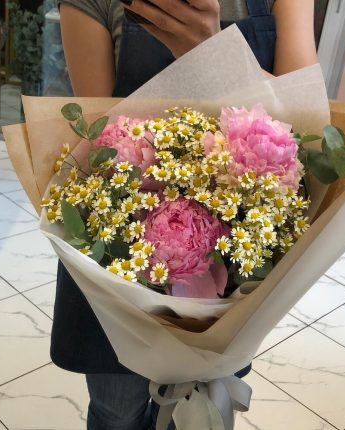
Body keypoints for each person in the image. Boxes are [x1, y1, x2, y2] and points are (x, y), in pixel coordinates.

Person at [57, 1, 317, 429]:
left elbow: (308, 120)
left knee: (199, 412)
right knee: (115, 410)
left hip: (233, 255)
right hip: (119, 256)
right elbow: (94, 138)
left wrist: (212, 52)